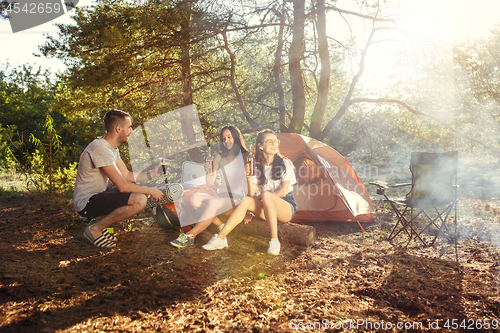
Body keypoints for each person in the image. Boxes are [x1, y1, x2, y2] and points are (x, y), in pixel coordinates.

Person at [73, 109, 165, 248]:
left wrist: (152, 173)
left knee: (141, 194)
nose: (131, 131)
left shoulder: (111, 148)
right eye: (129, 127)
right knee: (139, 199)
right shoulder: (100, 148)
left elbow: (126, 175)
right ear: (118, 128)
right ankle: (95, 229)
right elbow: (123, 185)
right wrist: (151, 190)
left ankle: (97, 223)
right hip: (87, 203)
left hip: (98, 197)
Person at [202, 129, 297, 255]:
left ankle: (274, 241)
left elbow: (284, 192)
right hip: (265, 205)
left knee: (267, 195)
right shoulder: (255, 164)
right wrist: (248, 177)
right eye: (270, 142)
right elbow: (252, 193)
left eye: (276, 141)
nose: (275, 145)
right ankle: (221, 238)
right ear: (261, 146)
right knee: (247, 200)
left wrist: (262, 197)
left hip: (285, 207)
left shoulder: (285, 163)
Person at [170, 125, 253, 248]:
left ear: (236, 137)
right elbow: (210, 183)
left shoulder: (246, 156)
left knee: (213, 203)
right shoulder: (221, 155)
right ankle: (220, 225)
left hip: (238, 199)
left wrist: (250, 209)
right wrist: (210, 171)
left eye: (229, 137)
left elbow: (252, 182)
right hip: (221, 197)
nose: (226, 141)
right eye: (224, 138)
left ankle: (190, 236)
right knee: (194, 198)